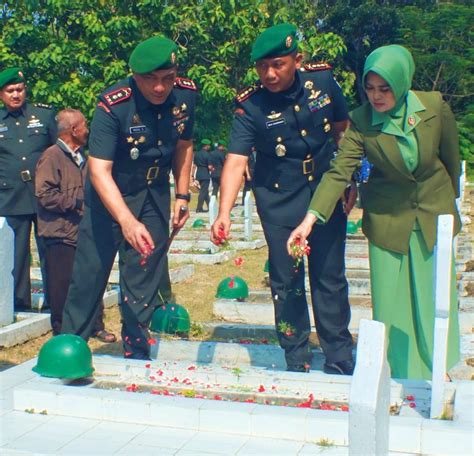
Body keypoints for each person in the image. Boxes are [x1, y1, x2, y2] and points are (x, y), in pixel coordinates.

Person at [288, 45, 461, 380]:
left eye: (385, 89)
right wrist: (309, 220)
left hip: (432, 216)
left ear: (401, 82)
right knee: (391, 303)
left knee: (432, 298)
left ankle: (438, 368)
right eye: (370, 88)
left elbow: (450, 161)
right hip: (387, 219)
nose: (376, 96)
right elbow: (339, 172)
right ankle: (398, 374)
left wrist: (449, 203)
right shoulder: (362, 121)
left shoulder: (434, 107)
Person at [211, 23, 355, 374]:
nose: (270, 74)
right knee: (287, 278)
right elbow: (236, 161)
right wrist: (224, 211)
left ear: (298, 60)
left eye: (278, 65)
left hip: (323, 191)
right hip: (279, 200)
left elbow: (343, 132)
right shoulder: (251, 106)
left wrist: (350, 180)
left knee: (329, 274)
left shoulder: (322, 82)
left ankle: (338, 353)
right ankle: (296, 354)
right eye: (262, 67)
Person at [61, 35, 196, 359]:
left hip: (153, 194)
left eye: (167, 78)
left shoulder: (186, 95)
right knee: (90, 275)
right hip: (110, 198)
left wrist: (181, 196)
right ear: (135, 76)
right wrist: (126, 221)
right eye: (150, 80)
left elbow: (184, 145)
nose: (160, 88)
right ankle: (68, 347)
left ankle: (136, 347)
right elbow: (99, 171)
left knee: (144, 270)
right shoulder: (114, 105)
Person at [35, 109, 116, 342]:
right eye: (84, 126)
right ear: (73, 130)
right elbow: (44, 194)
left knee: (92, 279)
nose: (87, 130)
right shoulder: (52, 156)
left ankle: (95, 325)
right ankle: (62, 332)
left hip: (83, 230)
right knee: (62, 287)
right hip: (59, 233)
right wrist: (77, 203)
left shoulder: (84, 157)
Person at [0, 67, 57, 311]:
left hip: (44, 195)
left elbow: (59, 152)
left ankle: (55, 300)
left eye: (19, 89)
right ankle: (19, 302)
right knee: (16, 254)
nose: (15, 94)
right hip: (10, 195)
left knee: (50, 249)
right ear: (1, 94)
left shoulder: (43, 116)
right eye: (10, 90)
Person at [192, 138, 212, 212]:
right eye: (209, 145)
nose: (209, 147)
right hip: (205, 174)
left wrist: (192, 175)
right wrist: (212, 169)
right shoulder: (207, 154)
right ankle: (199, 208)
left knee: (205, 191)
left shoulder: (196, 154)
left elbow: (194, 165)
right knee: (203, 192)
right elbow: (209, 167)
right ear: (206, 146)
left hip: (198, 173)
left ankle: (210, 206)